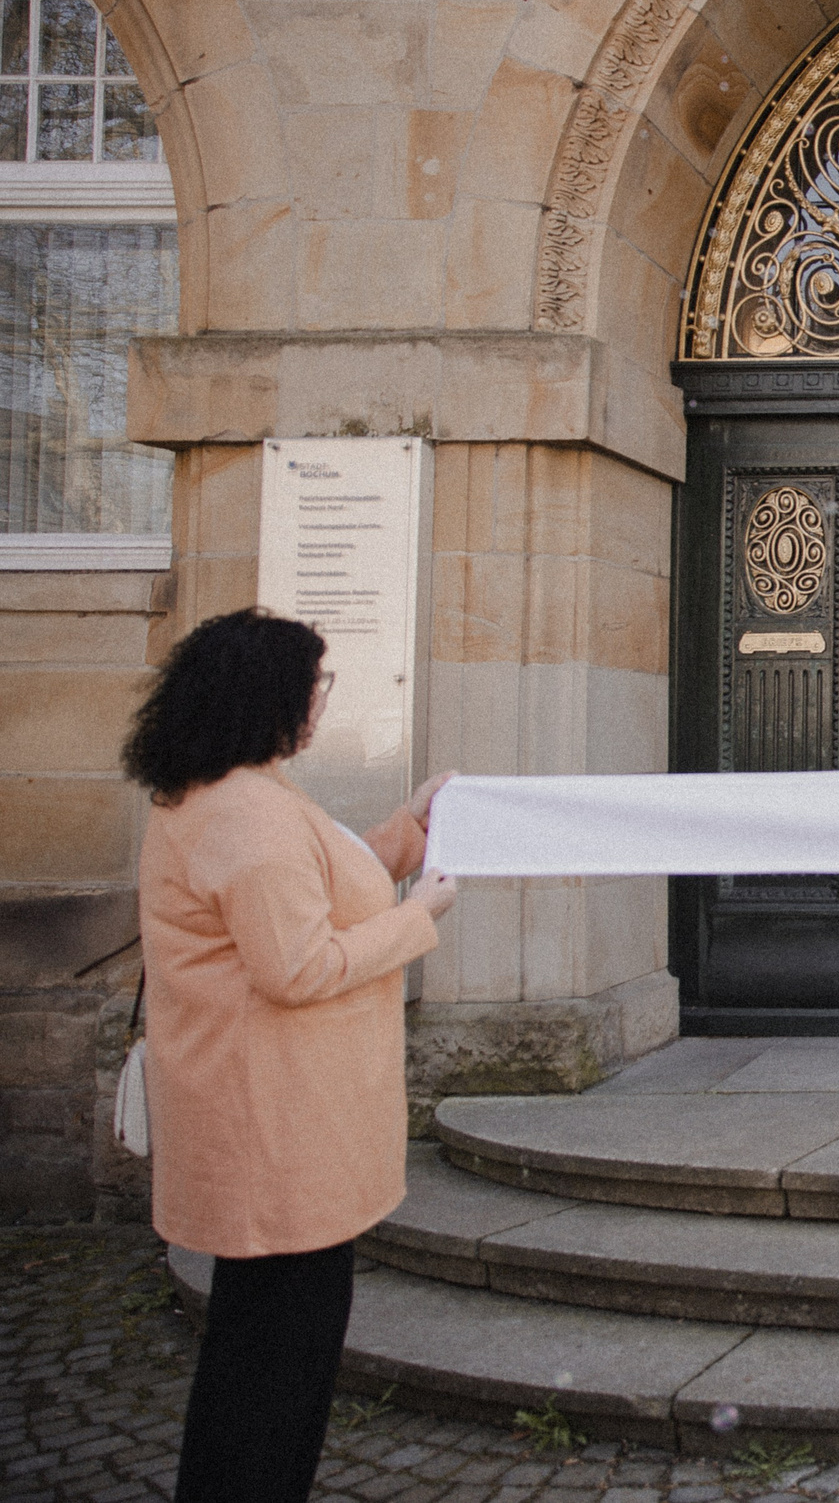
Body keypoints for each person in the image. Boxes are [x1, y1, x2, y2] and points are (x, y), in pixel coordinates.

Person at [123, 608, 460, 1503]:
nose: (319, 701)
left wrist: (409, 827)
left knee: (258, 1357)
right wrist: (417, 916)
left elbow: (325, 878)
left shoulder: (233, 791)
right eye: (315, 684)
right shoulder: (248, 813)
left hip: (271, 1123)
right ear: (269, 696)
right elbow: (298, 963)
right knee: (275, 1373)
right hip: (277, 1132)